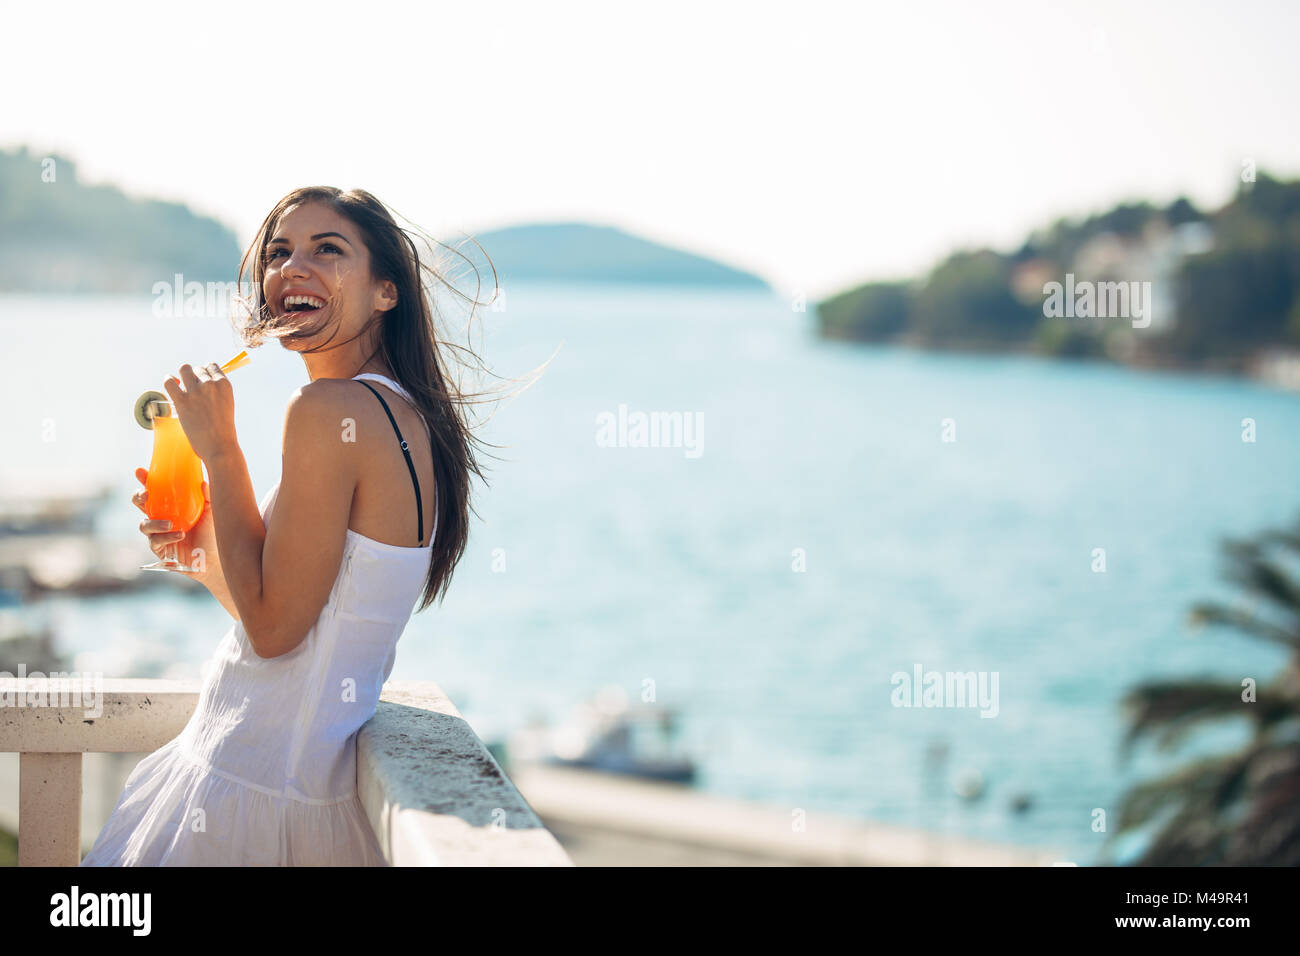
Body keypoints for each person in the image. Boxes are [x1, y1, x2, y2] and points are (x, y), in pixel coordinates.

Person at [80, 187, 509, 865]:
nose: (291, 268)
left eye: (327, 250)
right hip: (287, 787)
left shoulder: (327, 409)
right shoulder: (402, 418)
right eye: (279, 252)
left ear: (384, 294)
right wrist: (197, 552)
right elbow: (287, 614)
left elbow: (276, 635)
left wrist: (220, 448)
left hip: (249, 795)